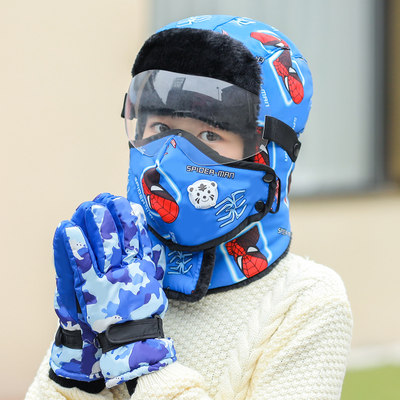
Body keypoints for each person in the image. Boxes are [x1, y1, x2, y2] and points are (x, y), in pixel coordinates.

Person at [25, 15, 353, 400]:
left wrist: (142, 357)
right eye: (161, 129)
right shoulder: (120, 276)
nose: (174, 153)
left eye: (210, 134)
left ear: (271, 157)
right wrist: (75, 371)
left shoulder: (308, 302)